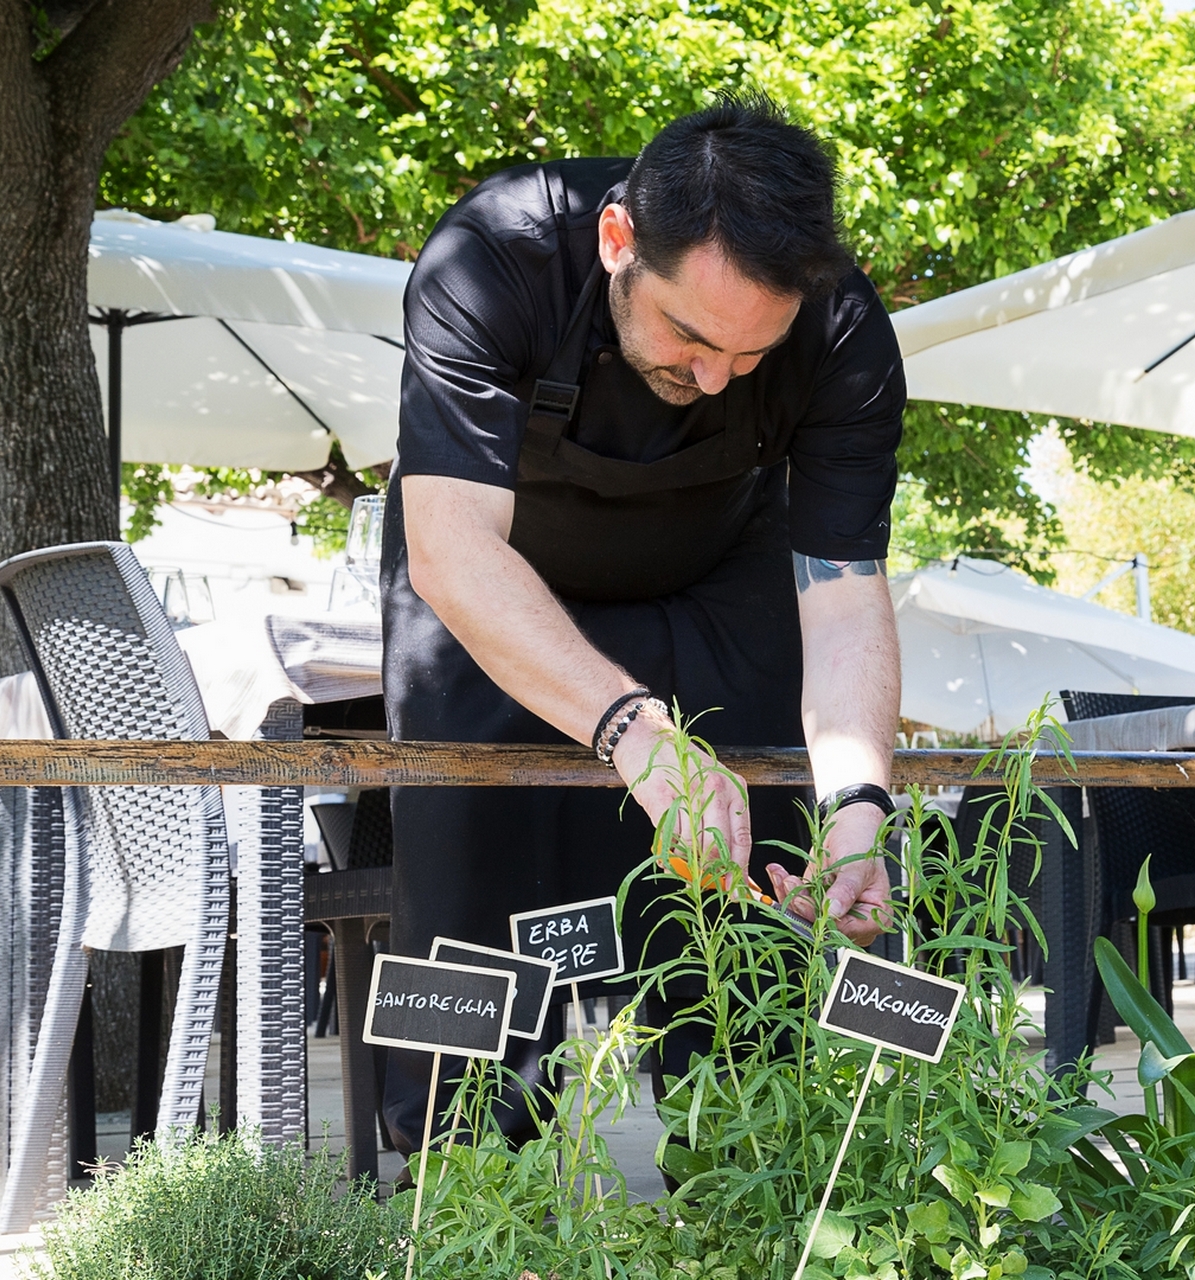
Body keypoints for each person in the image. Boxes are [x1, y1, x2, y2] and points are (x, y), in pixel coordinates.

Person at [378, 94, 905, 1153]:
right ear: (618, 239)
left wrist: (859, 810)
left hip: (719, 586)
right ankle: (471, 1206)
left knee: (747, 932)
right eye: (691, 335)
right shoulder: (495, 254)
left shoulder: (844, 328)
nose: (711, 379)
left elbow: (843, 594)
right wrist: (635, 731)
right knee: (472, 912)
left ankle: (748, 1201)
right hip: (495, 586)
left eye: (751, 357)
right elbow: (450, 547)